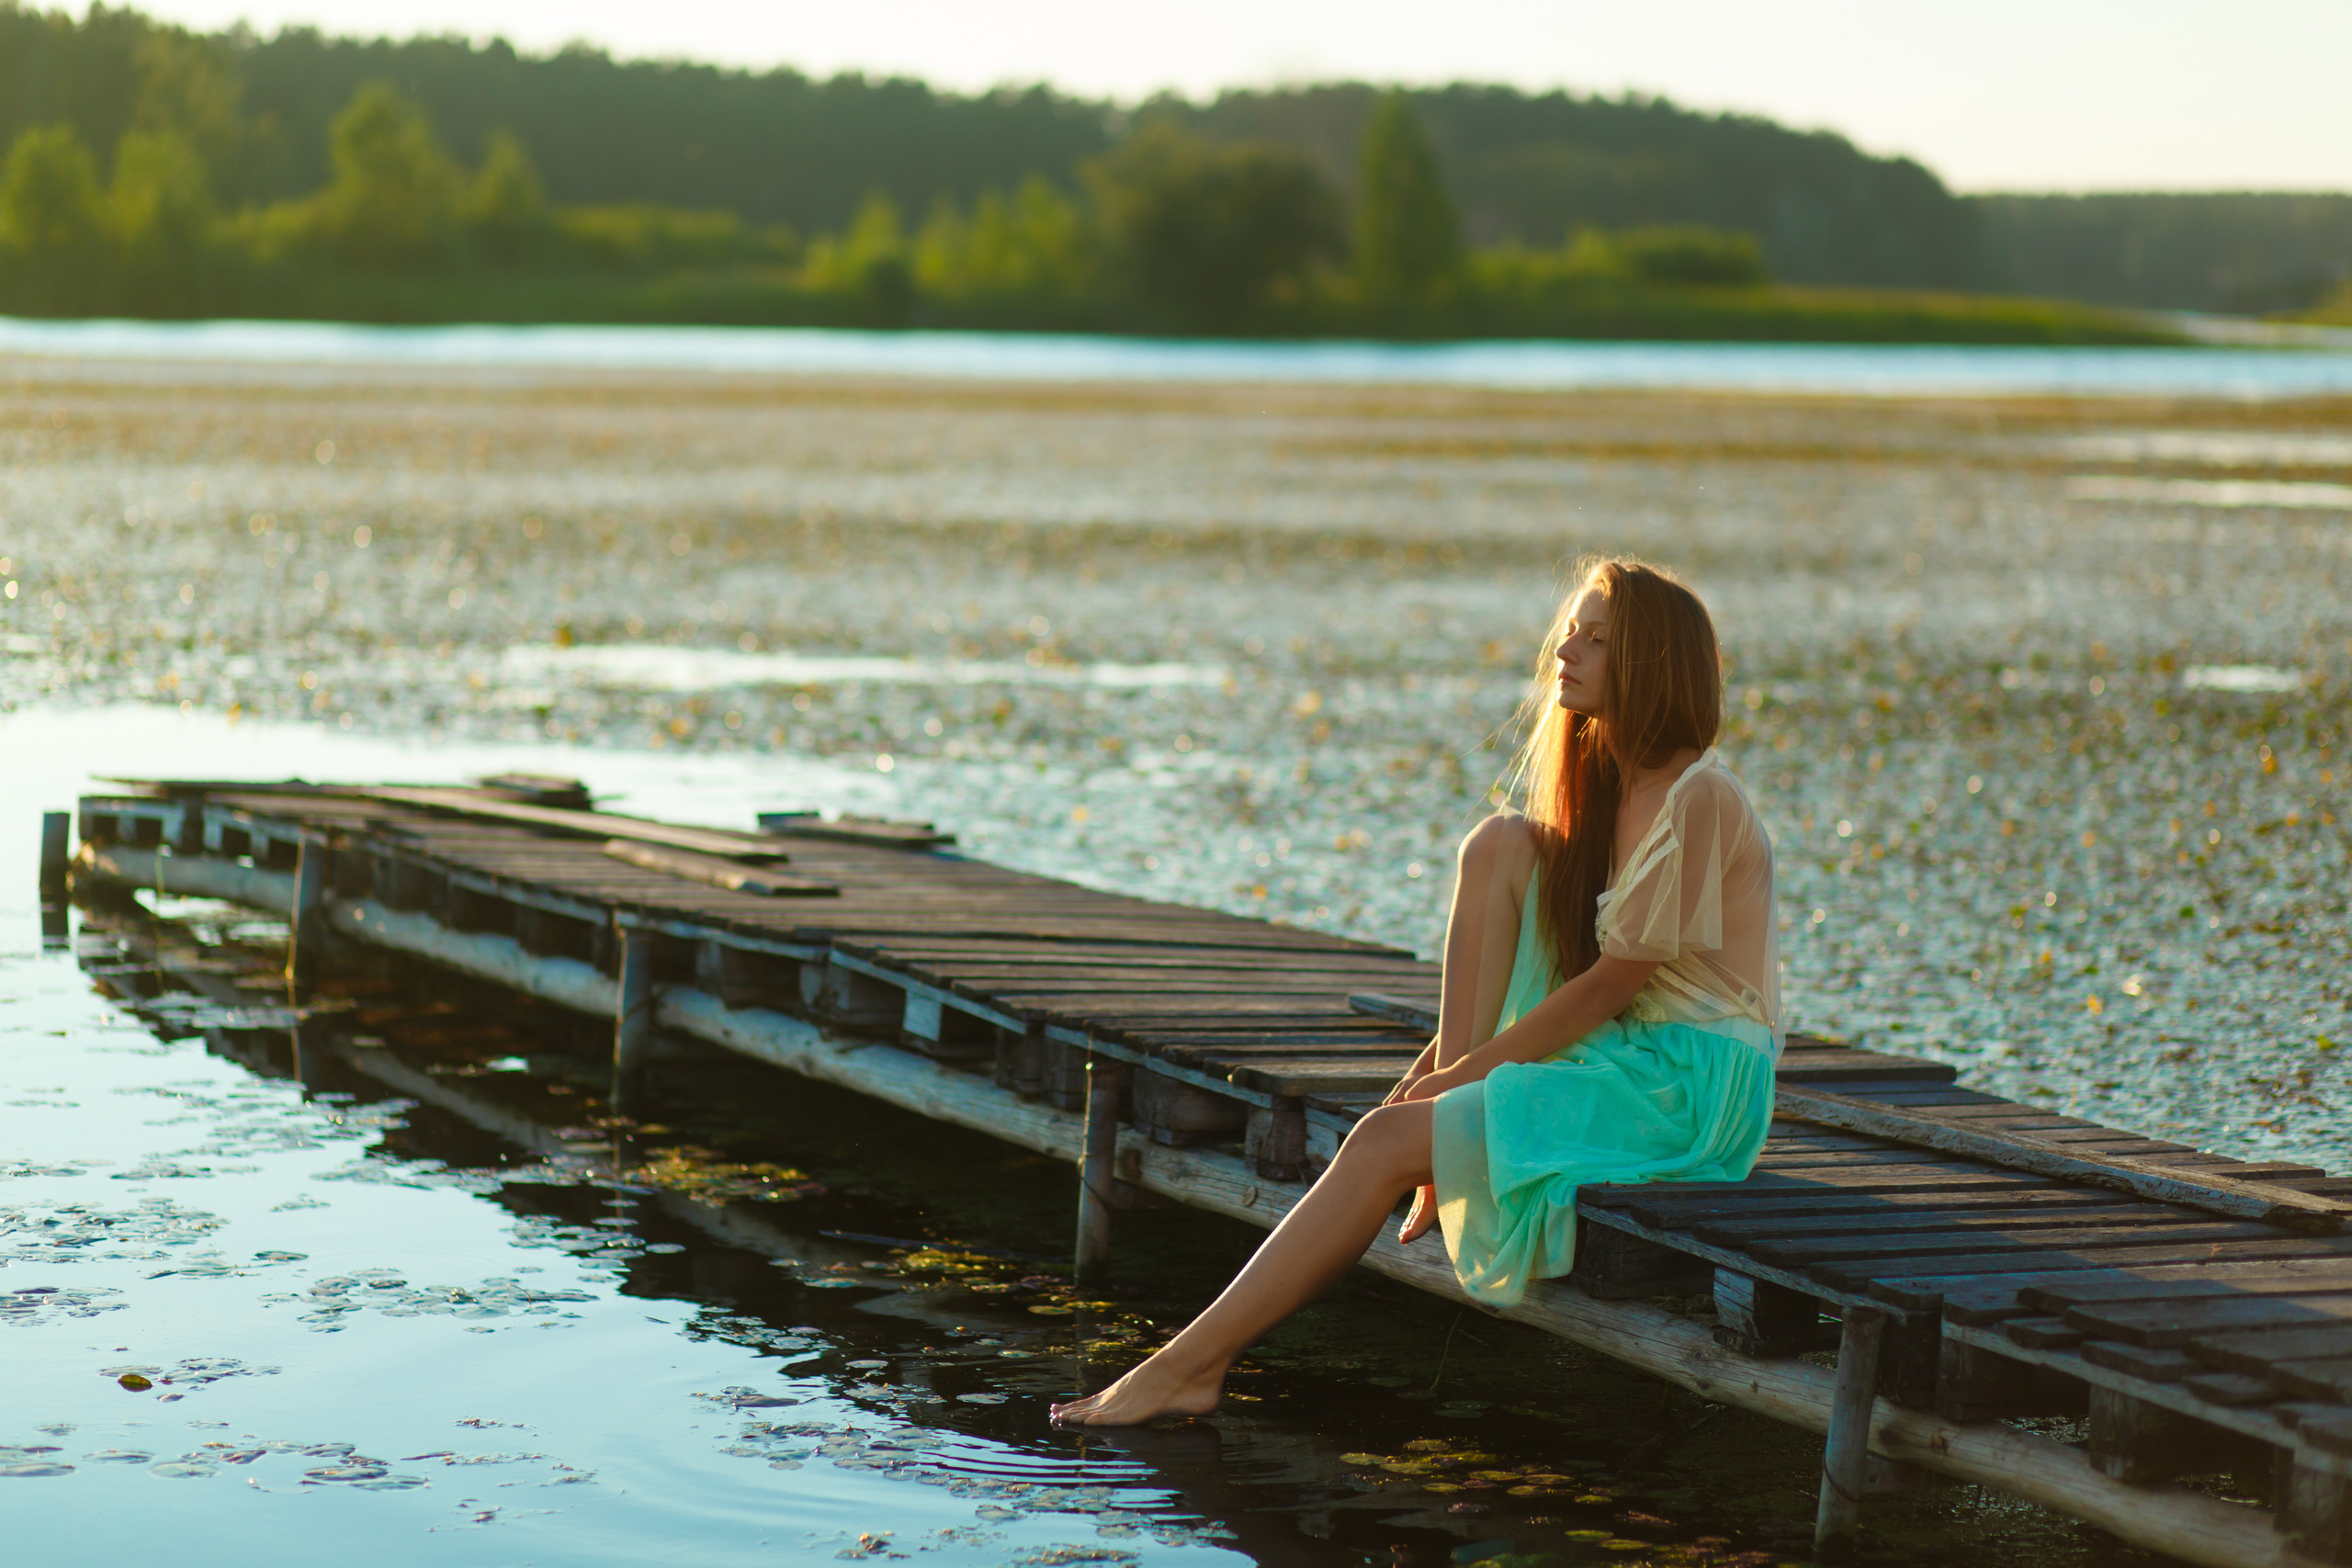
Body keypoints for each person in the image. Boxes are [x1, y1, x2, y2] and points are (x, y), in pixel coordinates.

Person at [1049, 558, 1781, 1427]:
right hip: (1632, 1056)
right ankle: (1411, 1146)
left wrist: (1451, 1087)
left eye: (1596, 639)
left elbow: (1605, 990)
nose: (1566, 651)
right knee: (1500, 843)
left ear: (1655, 663)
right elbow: (1579, 975)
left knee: (1382, 1136)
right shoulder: (1610, 785)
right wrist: (1441, 1074)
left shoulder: (1700, 796)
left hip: (1690, 1089)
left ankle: (1186, 1367)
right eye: (1569, 632)